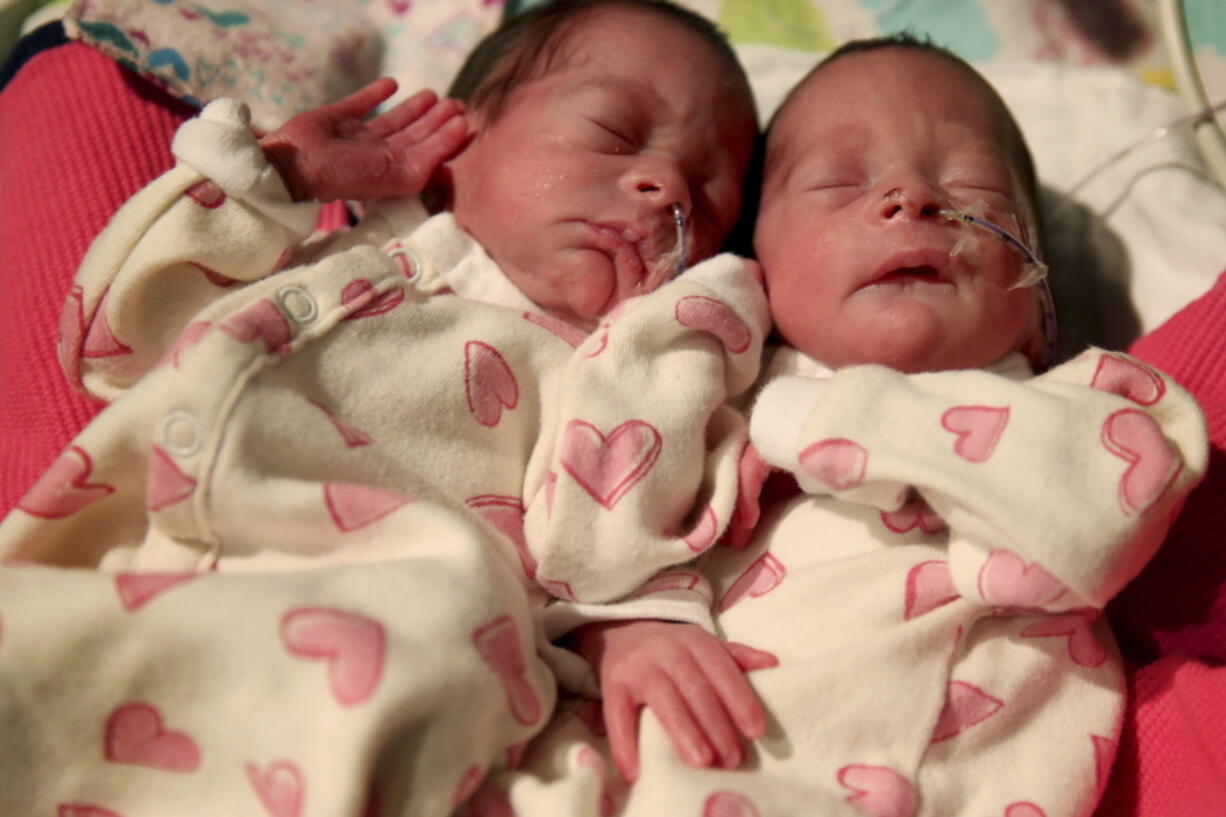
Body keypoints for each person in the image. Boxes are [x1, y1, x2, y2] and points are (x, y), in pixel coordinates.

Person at [0, 2, 777, 814]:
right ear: (459, 136)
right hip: (128, 577)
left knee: (450, 633)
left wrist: (629, 617)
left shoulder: (617, 363)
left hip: (384, 645)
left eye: (709, 200)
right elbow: (109, 341)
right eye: (615, 133)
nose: (667, 188)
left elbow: (631, 505)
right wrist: (282, 180)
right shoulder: (328, 245)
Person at [488, 35, 1209, 817]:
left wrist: (812, 423)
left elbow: (1086, 530)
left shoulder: (1090, 412)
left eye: (971, 185)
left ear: (1040, 297)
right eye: (838, 183)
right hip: (652, 769)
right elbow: (594, 459)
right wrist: (616, 619)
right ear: (754, 253)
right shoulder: (707, 372)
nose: (911, 199)